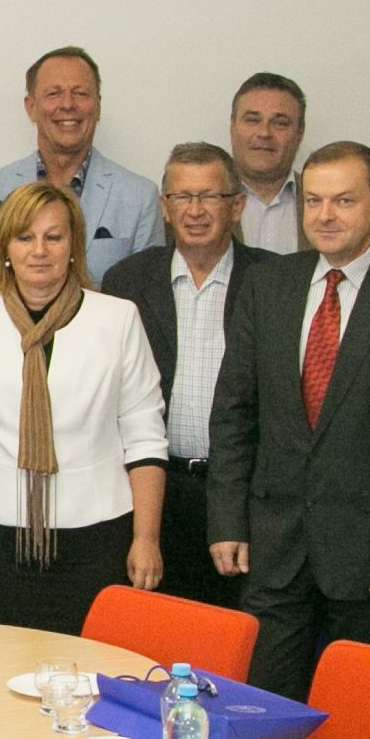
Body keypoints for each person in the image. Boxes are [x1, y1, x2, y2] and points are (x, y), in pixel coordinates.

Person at [206, 144, 370, 698]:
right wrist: (227, 519)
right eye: (314, 201)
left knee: (360, 716)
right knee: (262, 710)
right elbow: (233, 415)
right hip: (273, 548)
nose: (325, 216)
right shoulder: (268, 285)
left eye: (344, 201)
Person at [0, 182, 168, 632]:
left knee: (93, 664)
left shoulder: (117, 318)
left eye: (54, 237)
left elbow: (145, 438)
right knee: (6, 663)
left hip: (99, 535)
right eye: (25, 237)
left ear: (73, 247)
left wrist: (146, 538)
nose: (39, 250)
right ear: (5, 248)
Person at [103, 143, 255, 612]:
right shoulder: (127, 281)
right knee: (153, 631)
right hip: (152, 491)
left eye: (209, 196)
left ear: (237, 205)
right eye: (182, 197)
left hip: (242, 495)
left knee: (236, 634)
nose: (195, 210)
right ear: (164, 207)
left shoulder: (273, 280)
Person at [0, 45, 162, 271]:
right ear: (31, 107)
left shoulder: (140, 197)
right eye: (54, 93)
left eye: (81, 93)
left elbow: (146, 285)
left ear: (98, 106)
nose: (68, 104)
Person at [227, 72, 311, 254]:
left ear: (300, 133)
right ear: (232, 127)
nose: (264, 133)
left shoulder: (322, 201)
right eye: (252, 120)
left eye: (280, 123)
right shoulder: (197, 202)